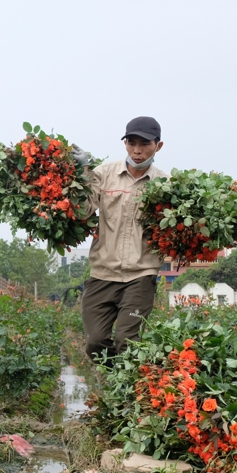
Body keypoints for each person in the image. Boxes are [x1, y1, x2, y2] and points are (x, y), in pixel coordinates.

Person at [72, 116, 167, 366]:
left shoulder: (166, 186)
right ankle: (120, 379)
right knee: (95, 343)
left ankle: (128, 393)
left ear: (158, 146)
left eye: (144, 144)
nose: (137, 150)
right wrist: (82, 173)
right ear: (125, 143)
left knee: (127, 340)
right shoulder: (104, 174)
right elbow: (82, 211)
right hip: (103, 272)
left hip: (140, 274)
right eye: (131, 142)